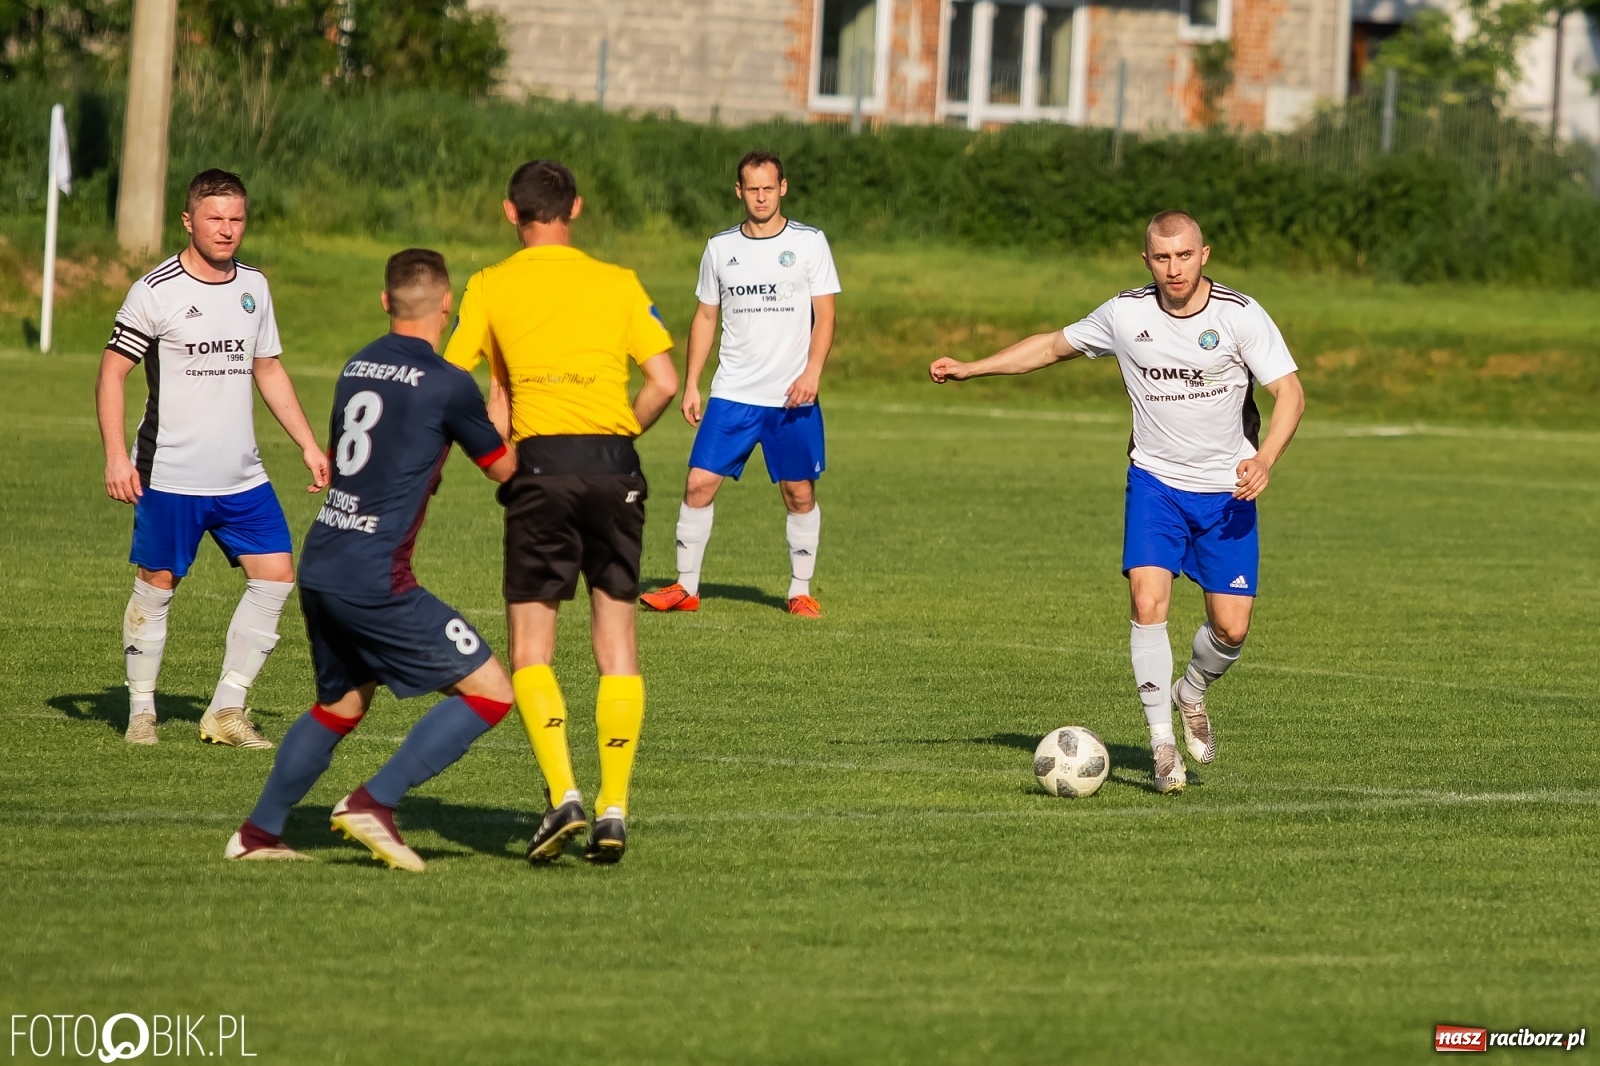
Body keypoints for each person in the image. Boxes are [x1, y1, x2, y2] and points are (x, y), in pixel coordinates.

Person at [928, 211, 1305, 794]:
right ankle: (1161, 747)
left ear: (1204, 255)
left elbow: (1290, 394)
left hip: (1226, 490)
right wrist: (973, 367)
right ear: (1147, 260)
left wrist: (1265, 459)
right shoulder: (1125, 314)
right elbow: (1052, 347)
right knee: (1146, 600)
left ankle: (1192, 691)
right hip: (1154, 483)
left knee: (1231, 629)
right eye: (1162, 257)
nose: (1173, 268)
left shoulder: (1239, 315)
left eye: (1184, 256)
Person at [226, 249, 518, 870]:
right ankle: (373, 802)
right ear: (447, 305)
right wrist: (501, 391)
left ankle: (257, 835)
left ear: (385, 302)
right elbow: (504, 469)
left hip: (325, 558)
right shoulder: (448, 383)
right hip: (376, 576)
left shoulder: (357, 365)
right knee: (492, 692)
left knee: (342, 704)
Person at [444, 160, 678, 865]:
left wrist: (502, 458)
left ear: (509, 213)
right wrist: (618, 437)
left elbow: (456, 387)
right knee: (617, 642)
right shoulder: (619, 282)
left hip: (540, 466)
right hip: (613, 464)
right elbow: (663, 381)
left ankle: (564, 795)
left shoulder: (490, 285)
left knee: (531, 648)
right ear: (575, 207)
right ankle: (614, 807)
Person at [96, 169, 329, 749]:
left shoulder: (255, 287)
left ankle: (226, 710)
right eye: (215, 218)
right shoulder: (156, 290)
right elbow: (112, 372)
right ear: (189, 221)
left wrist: (306, 443)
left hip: (242, 476)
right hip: (170, 474)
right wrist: (115, 457)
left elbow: (267, 368)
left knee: (275, 578)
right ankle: (143, 711)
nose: (227, 230)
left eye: (236, 219)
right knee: (158, 584)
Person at [639, 150, 840, 619]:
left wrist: (812, 372)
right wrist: (691, 382)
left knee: (799, 493)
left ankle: (799, 591)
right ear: (739, 192)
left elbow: (826, 315)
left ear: (783, 188)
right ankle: (686, 588)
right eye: (753, 189)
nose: (762, 196)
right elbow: (706, 316)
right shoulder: (719, 247)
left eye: (769, 188)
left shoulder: (810, 243)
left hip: (792, 396)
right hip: (732, 393)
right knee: (698, 483)